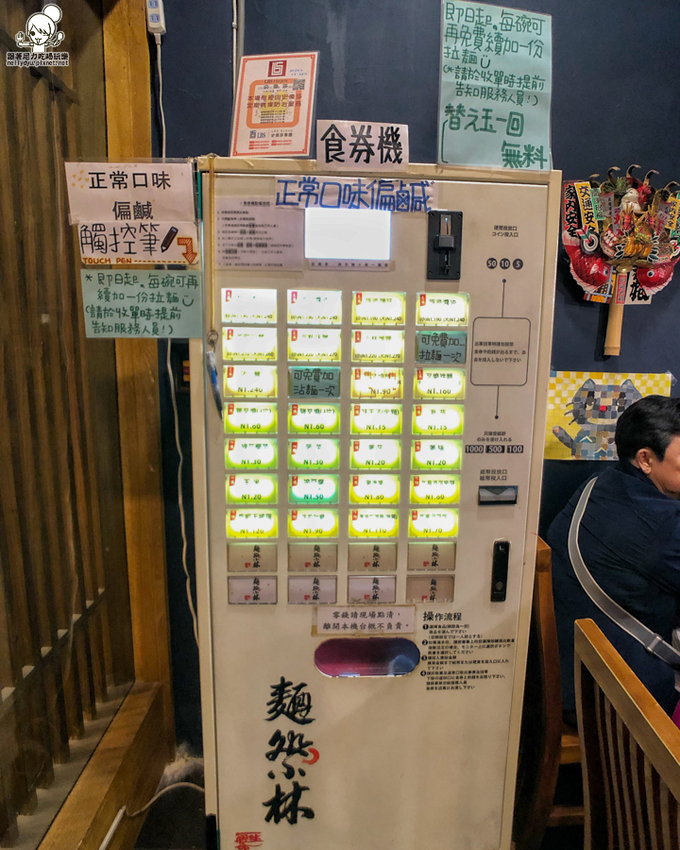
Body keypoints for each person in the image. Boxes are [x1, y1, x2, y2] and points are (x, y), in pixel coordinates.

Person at [548, 395, 680, 727]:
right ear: (646, 459)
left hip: (575, 682)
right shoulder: (662, 526)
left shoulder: (599, 484)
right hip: (626, 707)